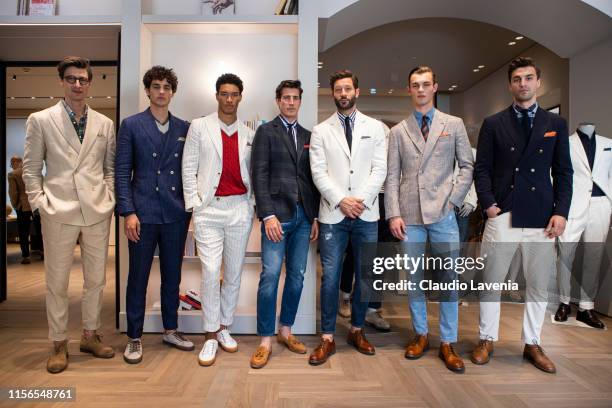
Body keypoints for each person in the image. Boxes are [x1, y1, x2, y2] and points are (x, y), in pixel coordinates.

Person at [472, 57, 573, 374]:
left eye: (529, 78)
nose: (523, 84)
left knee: (539, 284)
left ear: (538, 82)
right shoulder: (493, 123)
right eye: (517, 79)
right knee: (491, 280)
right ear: (510, 84)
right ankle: (487, 339)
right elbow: (482, 169)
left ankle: (532, 343)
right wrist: (488, 203)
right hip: (503, 211)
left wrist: (561, 212)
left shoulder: (555, 125)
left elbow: (564, 172)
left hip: (541, 217)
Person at [22, 56, 117, 373]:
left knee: (96, 280)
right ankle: (59, 342)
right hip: (58, 208)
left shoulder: (104, 124)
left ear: (90, 83)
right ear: (62, 81)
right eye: (72, 79)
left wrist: (110, 197)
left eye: (83, 79)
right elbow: (32, 170)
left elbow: (110, 170)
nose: (78, 84)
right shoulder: (41, 119)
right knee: (57, 281)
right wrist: (39, 204)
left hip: (96, 209)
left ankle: (90, 335)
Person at [385, 66, 473, 373]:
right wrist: (393, 213)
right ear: (408, 90)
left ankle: (448, 341)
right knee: (413, 280)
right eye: (414, 85)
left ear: (435, 87)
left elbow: (466, 166)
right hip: (408, 217)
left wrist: (453, 200)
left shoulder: (454, 124)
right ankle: (421, 333)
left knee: (449, 279)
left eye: (425, 84)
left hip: (443, 214)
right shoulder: (398, 132)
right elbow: (392, 176)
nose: (420, 89)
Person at [115, 66, 194, 364]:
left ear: (172, 92)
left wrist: (191, 208)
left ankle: (170, 329)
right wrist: (128, 212)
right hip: (142, 213)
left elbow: (190, 171)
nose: (161, 91)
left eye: (167, 87)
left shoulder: (185, 128)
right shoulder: (131, 125)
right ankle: (134, 337)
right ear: (148, 90)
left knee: (172, 277)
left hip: (175, 213)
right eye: (156, 86)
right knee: (138, 277)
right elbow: (122, 173)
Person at [308, 70, 387, 365]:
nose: (343, 94)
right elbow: (318, 172)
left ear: (357, 91)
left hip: (366, 214)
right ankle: (327, 337)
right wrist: (342, 200)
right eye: (338, 90)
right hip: (333, 214)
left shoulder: (376, 128)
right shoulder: (320, 130)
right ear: (333, 94)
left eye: (347, 89)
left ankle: (357, 330)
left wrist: (360, 201)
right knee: (330, 278)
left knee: (365, 276)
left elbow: (380, 169)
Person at [182, 73, 254, 367]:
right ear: (217, 96)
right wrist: (195, 205)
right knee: (211, 273)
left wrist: (250, 205)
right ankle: (210, 334)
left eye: (234, 94)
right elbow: (189, 167)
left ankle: (225, 327)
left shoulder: (250, 133)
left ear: (240, 97)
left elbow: (255, 172)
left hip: (239, 209)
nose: (228, 99)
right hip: (209, 210)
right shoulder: (199, 126)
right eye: (224, 93)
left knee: (234, 273)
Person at [249, 80, 320, 368]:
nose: (291, 102)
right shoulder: (266, 131)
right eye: (286, 98)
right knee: (270, 276)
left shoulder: (308, 135)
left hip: (304, 218)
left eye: (295, 98)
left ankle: (285, 330)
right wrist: (267, 215)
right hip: (277, 217)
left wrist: (314, 215)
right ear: (278, 101)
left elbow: (312, 179)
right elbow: (259, 175)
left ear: (300, 102)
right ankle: (265, 339)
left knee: (298, 276)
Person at [554, 123, 612, 329]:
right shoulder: (565, 143)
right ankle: (563, 303)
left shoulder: (608, 144)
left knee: (594, 257)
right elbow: (556, 175)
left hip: (600, 206)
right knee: (565, 254)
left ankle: (586, 308)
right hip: (571, 206)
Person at [8, 155, 43, 264]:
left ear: (14, 162)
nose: (11, 166)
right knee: (39, 230)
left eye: (11, 163)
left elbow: (13, 193)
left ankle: (26, 256)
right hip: (37, 205)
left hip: (23, 206)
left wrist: (15, 205)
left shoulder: (13, 174)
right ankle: (42, 251)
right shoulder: (34, 172)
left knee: (23, 232)